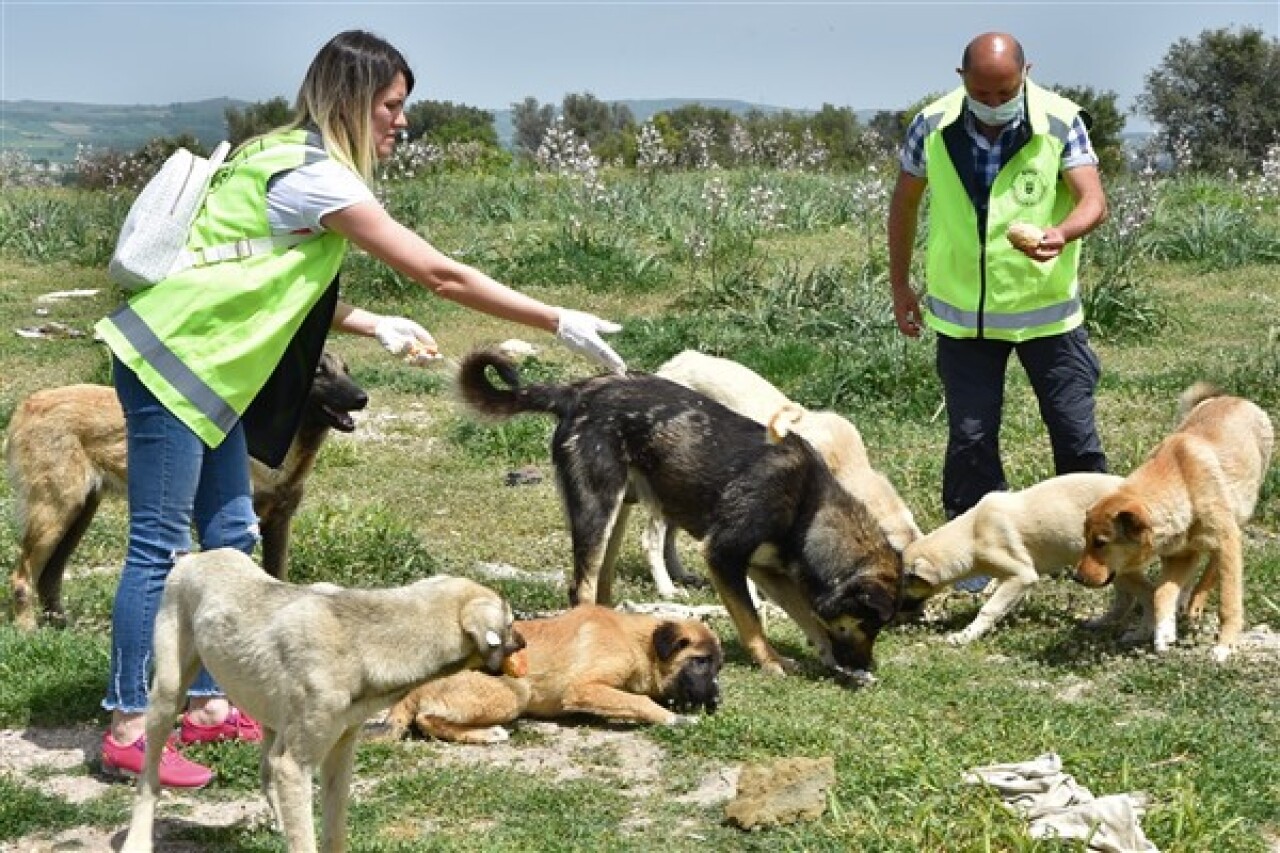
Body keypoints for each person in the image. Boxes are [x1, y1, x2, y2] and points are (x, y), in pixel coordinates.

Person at [92, 29, 626, 787]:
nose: (400, 122)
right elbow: (439, 273)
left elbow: (262, 267)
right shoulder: (317, 177)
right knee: (159, 544)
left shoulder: (275, 150)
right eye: (391, 104)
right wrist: (555, 319)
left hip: (210, 371)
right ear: (351, 100)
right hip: (174, 362)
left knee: (230, 531)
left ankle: (210, 700)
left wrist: (373, 323)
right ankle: (126, 721)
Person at [887, 32, 1109, 591]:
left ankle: (1102, 547)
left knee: (1075, 435)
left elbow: (1093, 199)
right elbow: (904, 204)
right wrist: (900, 285)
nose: (992, 102)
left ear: (1026, 74)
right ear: (961, 78)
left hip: (1048, 317)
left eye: (1005, 90)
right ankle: (974, 559)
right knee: (970, 438)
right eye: (981, 91)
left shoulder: (1061, 120)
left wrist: (1060, 233)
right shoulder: (931, 125)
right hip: (964, 320)